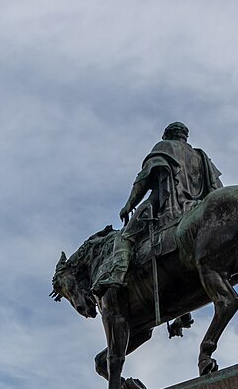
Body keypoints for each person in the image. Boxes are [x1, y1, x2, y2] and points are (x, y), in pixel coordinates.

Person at [95, 122, 223, 293]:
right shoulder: (201, 157)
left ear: (167, 135)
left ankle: (118, 275)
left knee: (124, 238)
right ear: (185, 136)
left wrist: (129, 205)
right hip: (197, 207)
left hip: (167, 205)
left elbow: (144, 178)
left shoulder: (165, 146)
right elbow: (218, 188)